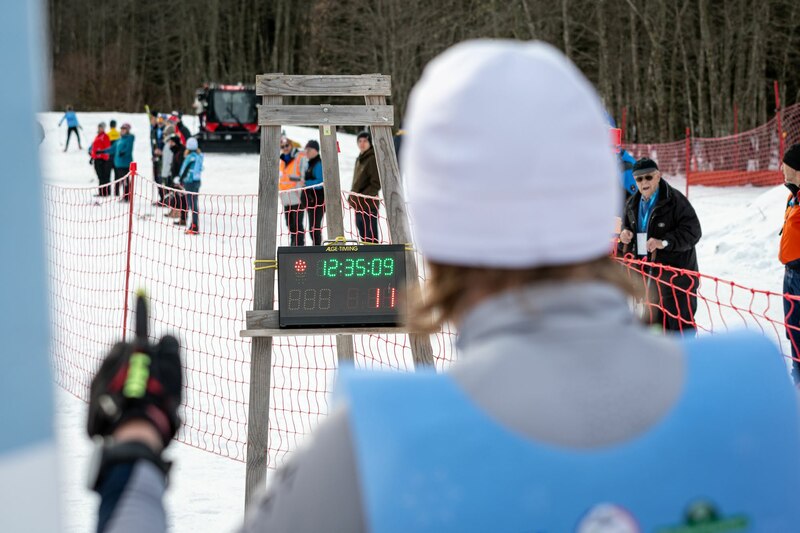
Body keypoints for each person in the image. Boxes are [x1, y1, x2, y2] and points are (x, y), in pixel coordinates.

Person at [87, 41, 800, 532]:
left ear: (434, 220)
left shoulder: (374, 443)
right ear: (597, 202)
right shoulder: (762, 395)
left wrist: (135, 444)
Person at [618, 158, 702, 334]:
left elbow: (693, 232)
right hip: (648, 281)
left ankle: (687, 353)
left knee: (680, 330)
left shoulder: (675, 200)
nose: (644, 182)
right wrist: (624, 235)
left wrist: (663, 242)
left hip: (677, 282)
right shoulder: (632, 204)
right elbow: (627, 230)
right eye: (639, 179)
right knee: (654, 331)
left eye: (648, 177)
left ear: (658, 176)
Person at [779, 143, 800, 383]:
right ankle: (798, 372)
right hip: (790, 273)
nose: (781, 168)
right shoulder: (792, 196)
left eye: (785, 164)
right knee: (792, 327)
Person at [349, 131, 381, 243]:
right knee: (363, 235)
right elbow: (357, 182)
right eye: (360, 141)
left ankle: (374, 254)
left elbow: (376, 183)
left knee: (370, 237)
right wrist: (352, 197)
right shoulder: (360, 158)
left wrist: (361, 197)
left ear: (370, 142)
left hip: (369, 205)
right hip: (359, 205)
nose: (362, 143)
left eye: (365, 141)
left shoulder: (372, 158)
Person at [279, 136, 306, 246]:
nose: (285, 148)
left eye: (287, 145)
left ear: (291, 145)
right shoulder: (282, 160)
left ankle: (300, 246)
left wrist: (294, 179)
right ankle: (293, 244)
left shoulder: (299, 157)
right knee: (290, 224)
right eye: (282, 147)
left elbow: (303, 176)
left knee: (298, 224)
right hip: (286, 198)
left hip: (297, 197)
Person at [299, 139, 325, 245]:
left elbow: (320, 183)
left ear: (316, 150)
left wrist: (306, 183)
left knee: (314, 228)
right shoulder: (311, 163)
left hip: (317, 202)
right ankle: (317, 248)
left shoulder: (318, 164)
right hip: (312, 202)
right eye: (306, 149)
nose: (307, 152)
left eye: (309, 149)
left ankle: (318, 249)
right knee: (313, 228)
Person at [178, 137, 203, 235]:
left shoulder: (190, 157)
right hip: (197, 181)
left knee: (191, 204)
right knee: (194, 203)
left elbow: (184, 169)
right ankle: (194, 224)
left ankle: (194, 226)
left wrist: (180, 179)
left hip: (190, 182)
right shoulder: (199, 156)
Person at [88, 122, 112, 197]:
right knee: (100, 176)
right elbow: (94, 148)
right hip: (97, 159)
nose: (100, 128)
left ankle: (105, 192)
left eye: (101, 127)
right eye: (99, 127)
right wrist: (92, 157)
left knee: (104, 176)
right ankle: (102, 192)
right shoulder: (97, 136)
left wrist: (104, 158)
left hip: (102, 159)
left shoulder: (105, 136)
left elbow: (107, 148)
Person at [113, 123, 135, 201]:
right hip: (118, 164)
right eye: (122, 129)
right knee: (121, 180)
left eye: (124, 129)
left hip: (125, 164)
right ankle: (124, 196)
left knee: (126, 181)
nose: (122, 130)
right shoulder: (119, 139)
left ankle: (127, 197)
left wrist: (123, 152)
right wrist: (102, 151)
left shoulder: (130, 138)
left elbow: (129, 149)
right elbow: (112, 149)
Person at [150, 112, 165, 203]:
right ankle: (162, 197)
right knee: (156, 178)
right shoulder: (155, 130)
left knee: (161, 178)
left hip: (163, 158)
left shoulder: (165, 130)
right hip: (156, 157)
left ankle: (165, 198)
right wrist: (154, 154)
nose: (159, 121)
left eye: (161, 120)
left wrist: (161, 151)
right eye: (159, 119)